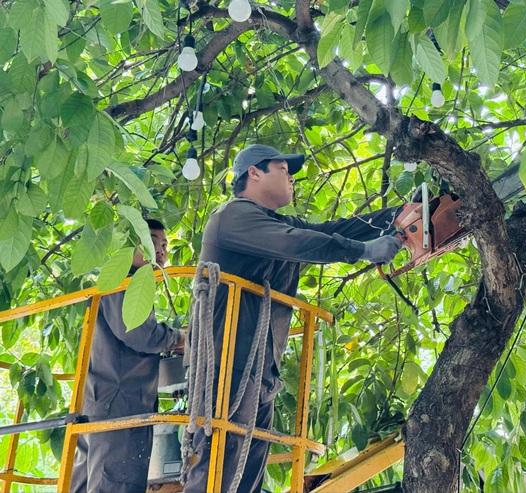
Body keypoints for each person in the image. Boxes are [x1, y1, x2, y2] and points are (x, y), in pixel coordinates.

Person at [183, 144, 403, 493]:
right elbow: (299, 243)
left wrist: (402, 215)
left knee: (247, 475)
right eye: (284, 169)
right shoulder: (232, 216)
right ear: (254, 172)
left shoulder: (277, 222)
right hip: (225, 370)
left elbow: (335, 229)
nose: (292, 178)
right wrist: (363, 252)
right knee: (218, 470)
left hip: (260, 370)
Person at [71, 219, 186, 493]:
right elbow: (138, 333)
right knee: (116, 481)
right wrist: (178, 337)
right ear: (131, 244)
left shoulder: (111, 280)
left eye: (165, 245)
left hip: (98, 404)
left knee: (86, 482)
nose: (161, 250)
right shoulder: (126, 281)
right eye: (153, 241)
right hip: (121, 406)